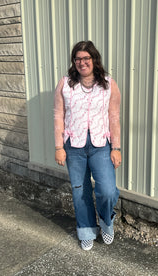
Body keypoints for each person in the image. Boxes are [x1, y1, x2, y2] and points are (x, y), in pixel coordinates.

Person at [54, 40, 121, 251]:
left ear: (94, 59)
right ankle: (86, 230)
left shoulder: (108, 84)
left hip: (101, 144)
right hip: (74, 146)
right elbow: (58, 115)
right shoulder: (65, 84)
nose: (82, 62)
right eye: (78, 59)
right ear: (74, 62)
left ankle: (106, 223)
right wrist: (58, 146)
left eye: (86, 58)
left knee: (108, 190)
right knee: (79, 191)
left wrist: (116, 148)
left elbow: (114, 116)